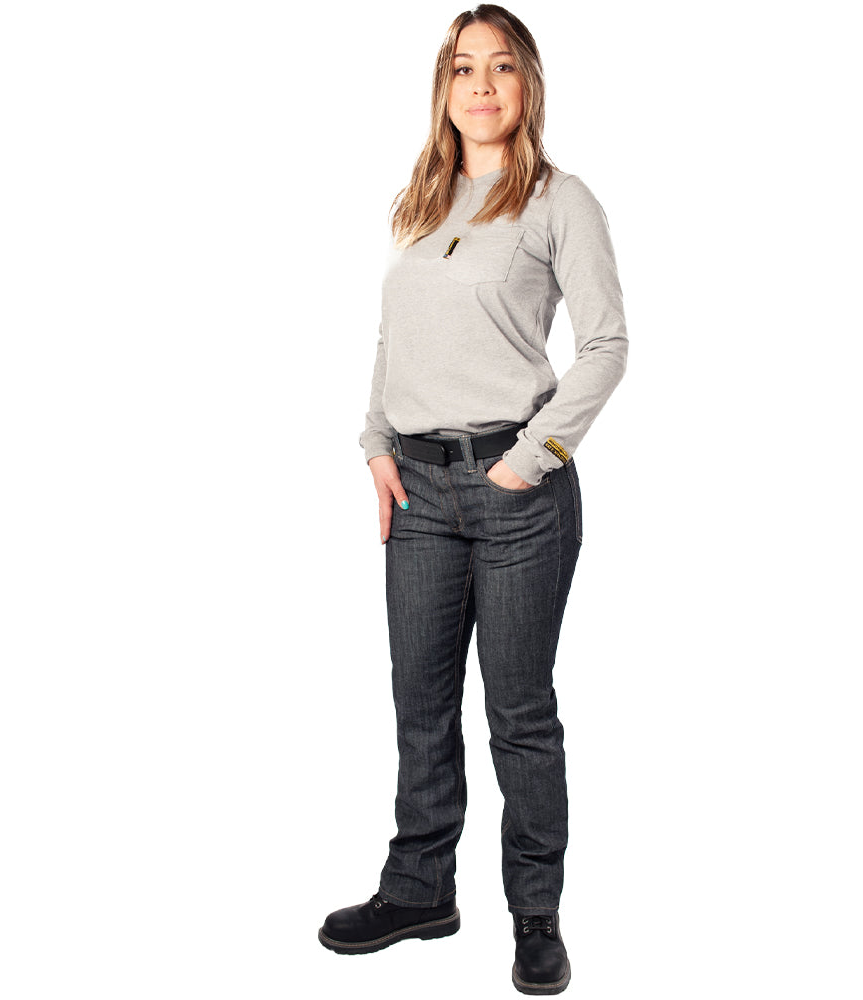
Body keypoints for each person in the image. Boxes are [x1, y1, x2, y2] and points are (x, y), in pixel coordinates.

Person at [318, 5, 627, 994]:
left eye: (500, 67)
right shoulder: (421, 197)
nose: (481, 85)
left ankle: (535, 915)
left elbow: (606, 345)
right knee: (419, 702)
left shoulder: (559, 201)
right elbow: (394, 338)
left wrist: (530, 459)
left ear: (526, 83)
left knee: (518, 712)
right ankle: (419, 889)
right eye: (462, 68)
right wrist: (375, 444)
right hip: (416, 491)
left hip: (514, 492)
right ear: (443, 87)